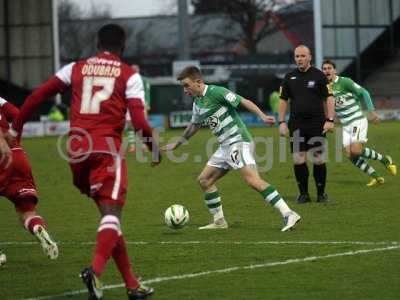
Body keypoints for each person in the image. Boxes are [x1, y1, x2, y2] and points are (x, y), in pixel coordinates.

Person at [8, 24, 160, 300]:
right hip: (106, 150)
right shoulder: (129, 75)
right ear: (122, 46)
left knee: (108, 219)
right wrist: (154, 149)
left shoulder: (75, 68)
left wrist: (16, 130)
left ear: (97, 43)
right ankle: (95, 271)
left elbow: (37, 96)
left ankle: (132, 285)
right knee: (112, 215)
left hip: (76, 153)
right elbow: (139, 122)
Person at [162, 66, 301, 232]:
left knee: (253, 180)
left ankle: (288, 213)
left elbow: (243, 101)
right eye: (183, 87)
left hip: (238, 141)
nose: (185, 90)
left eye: (186, 85)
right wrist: (177, 143)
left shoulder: (216, 92)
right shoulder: (198, 102)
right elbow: (194, 126)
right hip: (225, 146)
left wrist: (262, 116)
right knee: (204, 180)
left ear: (198, 82)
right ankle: (219, 221)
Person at [0, 96, 58, 260]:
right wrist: (15, 142)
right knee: (26, 211)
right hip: (17, 156)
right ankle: (37, 228)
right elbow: (18, 114)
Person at [322, 59, 396, 186]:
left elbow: (364, 93)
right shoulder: (325, 88)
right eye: (324, 69)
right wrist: (329, 122)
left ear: (334, 70)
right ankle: (376, 177)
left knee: (356, 150)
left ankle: (385, 160)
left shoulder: (345, 82)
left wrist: (371, 112)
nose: (327, 71)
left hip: (357, 120)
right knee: (350, 155)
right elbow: (329, 107)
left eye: (329, 68)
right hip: (345, 125)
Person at [278, 45, 335, 204]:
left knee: (318, 159)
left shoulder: (320, 76)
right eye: (297, 56)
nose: (299, 59)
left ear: (310, 57)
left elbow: (329, 98)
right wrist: (281, 122)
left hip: (317, 123)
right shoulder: (289, 77)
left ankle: (321, 194)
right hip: (296, 124)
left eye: (303, 56)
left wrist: (330, 120)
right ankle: (303, 194)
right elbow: (283, 100)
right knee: (298, 159)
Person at [127, 64, 151, 153]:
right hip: (129, 104)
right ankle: (132, 146)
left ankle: (144, 144)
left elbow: (147, 92)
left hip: (141, 104)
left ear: (138, 70)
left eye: (135, 69)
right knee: (130, 125)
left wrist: (147, 103)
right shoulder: (127, 79)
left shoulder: (143, 80)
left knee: (142, 124)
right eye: (132, 69)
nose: (133, 71)